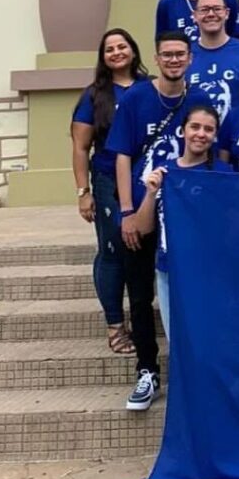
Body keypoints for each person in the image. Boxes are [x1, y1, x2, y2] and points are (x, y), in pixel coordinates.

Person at [106, 31, 211, 413]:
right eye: (166, 55)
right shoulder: (136, 97)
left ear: (190, 58)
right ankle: (147, 370)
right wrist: (127, 210)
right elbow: (121, 156)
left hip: (181, 214)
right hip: (144, 206)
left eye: (180, 54)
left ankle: (189, 370)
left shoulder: (198, 100)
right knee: (139, 291)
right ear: (156, 57)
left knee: (185, 290)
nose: (173, 60)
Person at [135, 103, 233, 400]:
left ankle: (215, 398)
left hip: (210, 273)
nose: (201, 134)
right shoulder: (165, 173)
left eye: (208, 129)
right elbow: (142, 228)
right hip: (169, 271)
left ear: (216, 136)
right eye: (195, 127)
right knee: (180, 340)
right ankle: (190, 402)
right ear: (183, 131)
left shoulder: (223, 173)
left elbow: (233, 224)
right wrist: (151, 192)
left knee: (213, 339)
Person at [70, 28, 149, 356]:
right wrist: (83, 192)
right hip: (106, 181)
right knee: (113, 251)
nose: (116, 52)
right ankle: (116, 326)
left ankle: (144, 318)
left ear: (133, 50)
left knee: (145, 251)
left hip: (148, 182)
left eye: (122, 46)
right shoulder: (94, 96)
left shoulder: (151, 87)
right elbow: (79, 146)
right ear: (103, 57)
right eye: (109, 49)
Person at [185, 0, 239, 121]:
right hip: (198, 136)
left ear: (227, 13)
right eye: (204, 9)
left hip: (238, 135)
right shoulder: (185, 55)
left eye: (217, 9)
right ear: (194, 15)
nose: (211, 14)